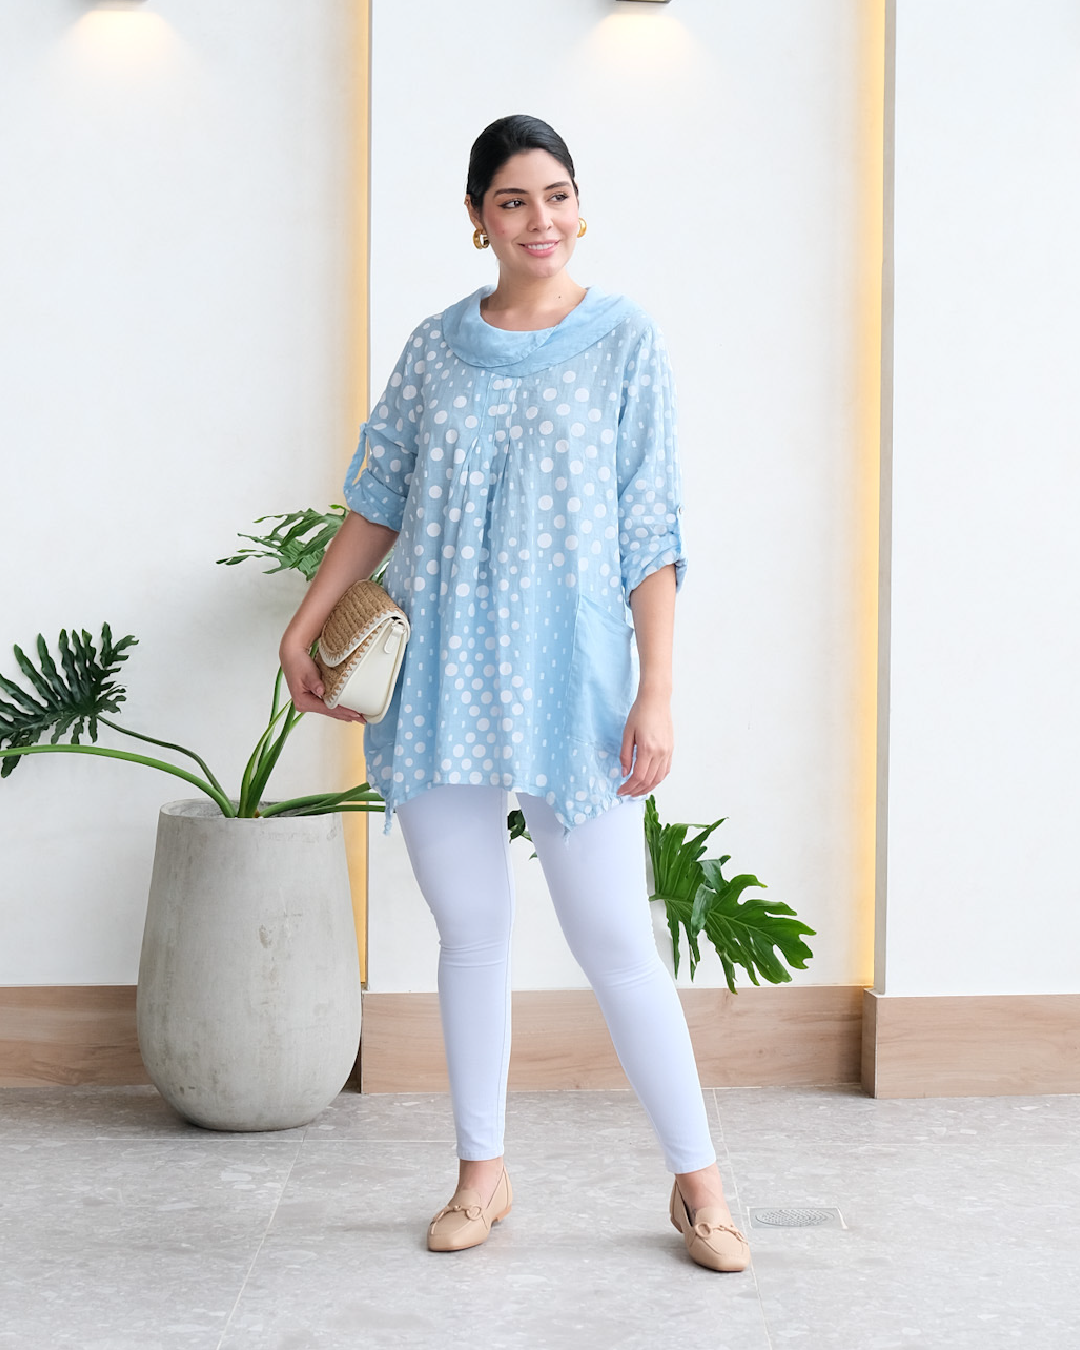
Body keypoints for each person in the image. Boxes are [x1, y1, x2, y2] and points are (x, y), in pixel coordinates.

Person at [279, 114, 750, 1273]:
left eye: (558, 195)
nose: (541, 220)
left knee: (615, 940)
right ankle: (480, 1175)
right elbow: (378, 497)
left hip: (569, 681)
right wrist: (305, 622)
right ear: (476, 218)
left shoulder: (625, 339)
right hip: (440, 672)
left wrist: (656, 691)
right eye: (513, 200)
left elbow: (651, 528)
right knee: (473, 934)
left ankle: (702, 1187)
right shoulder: (436, 347)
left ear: (580, 206)